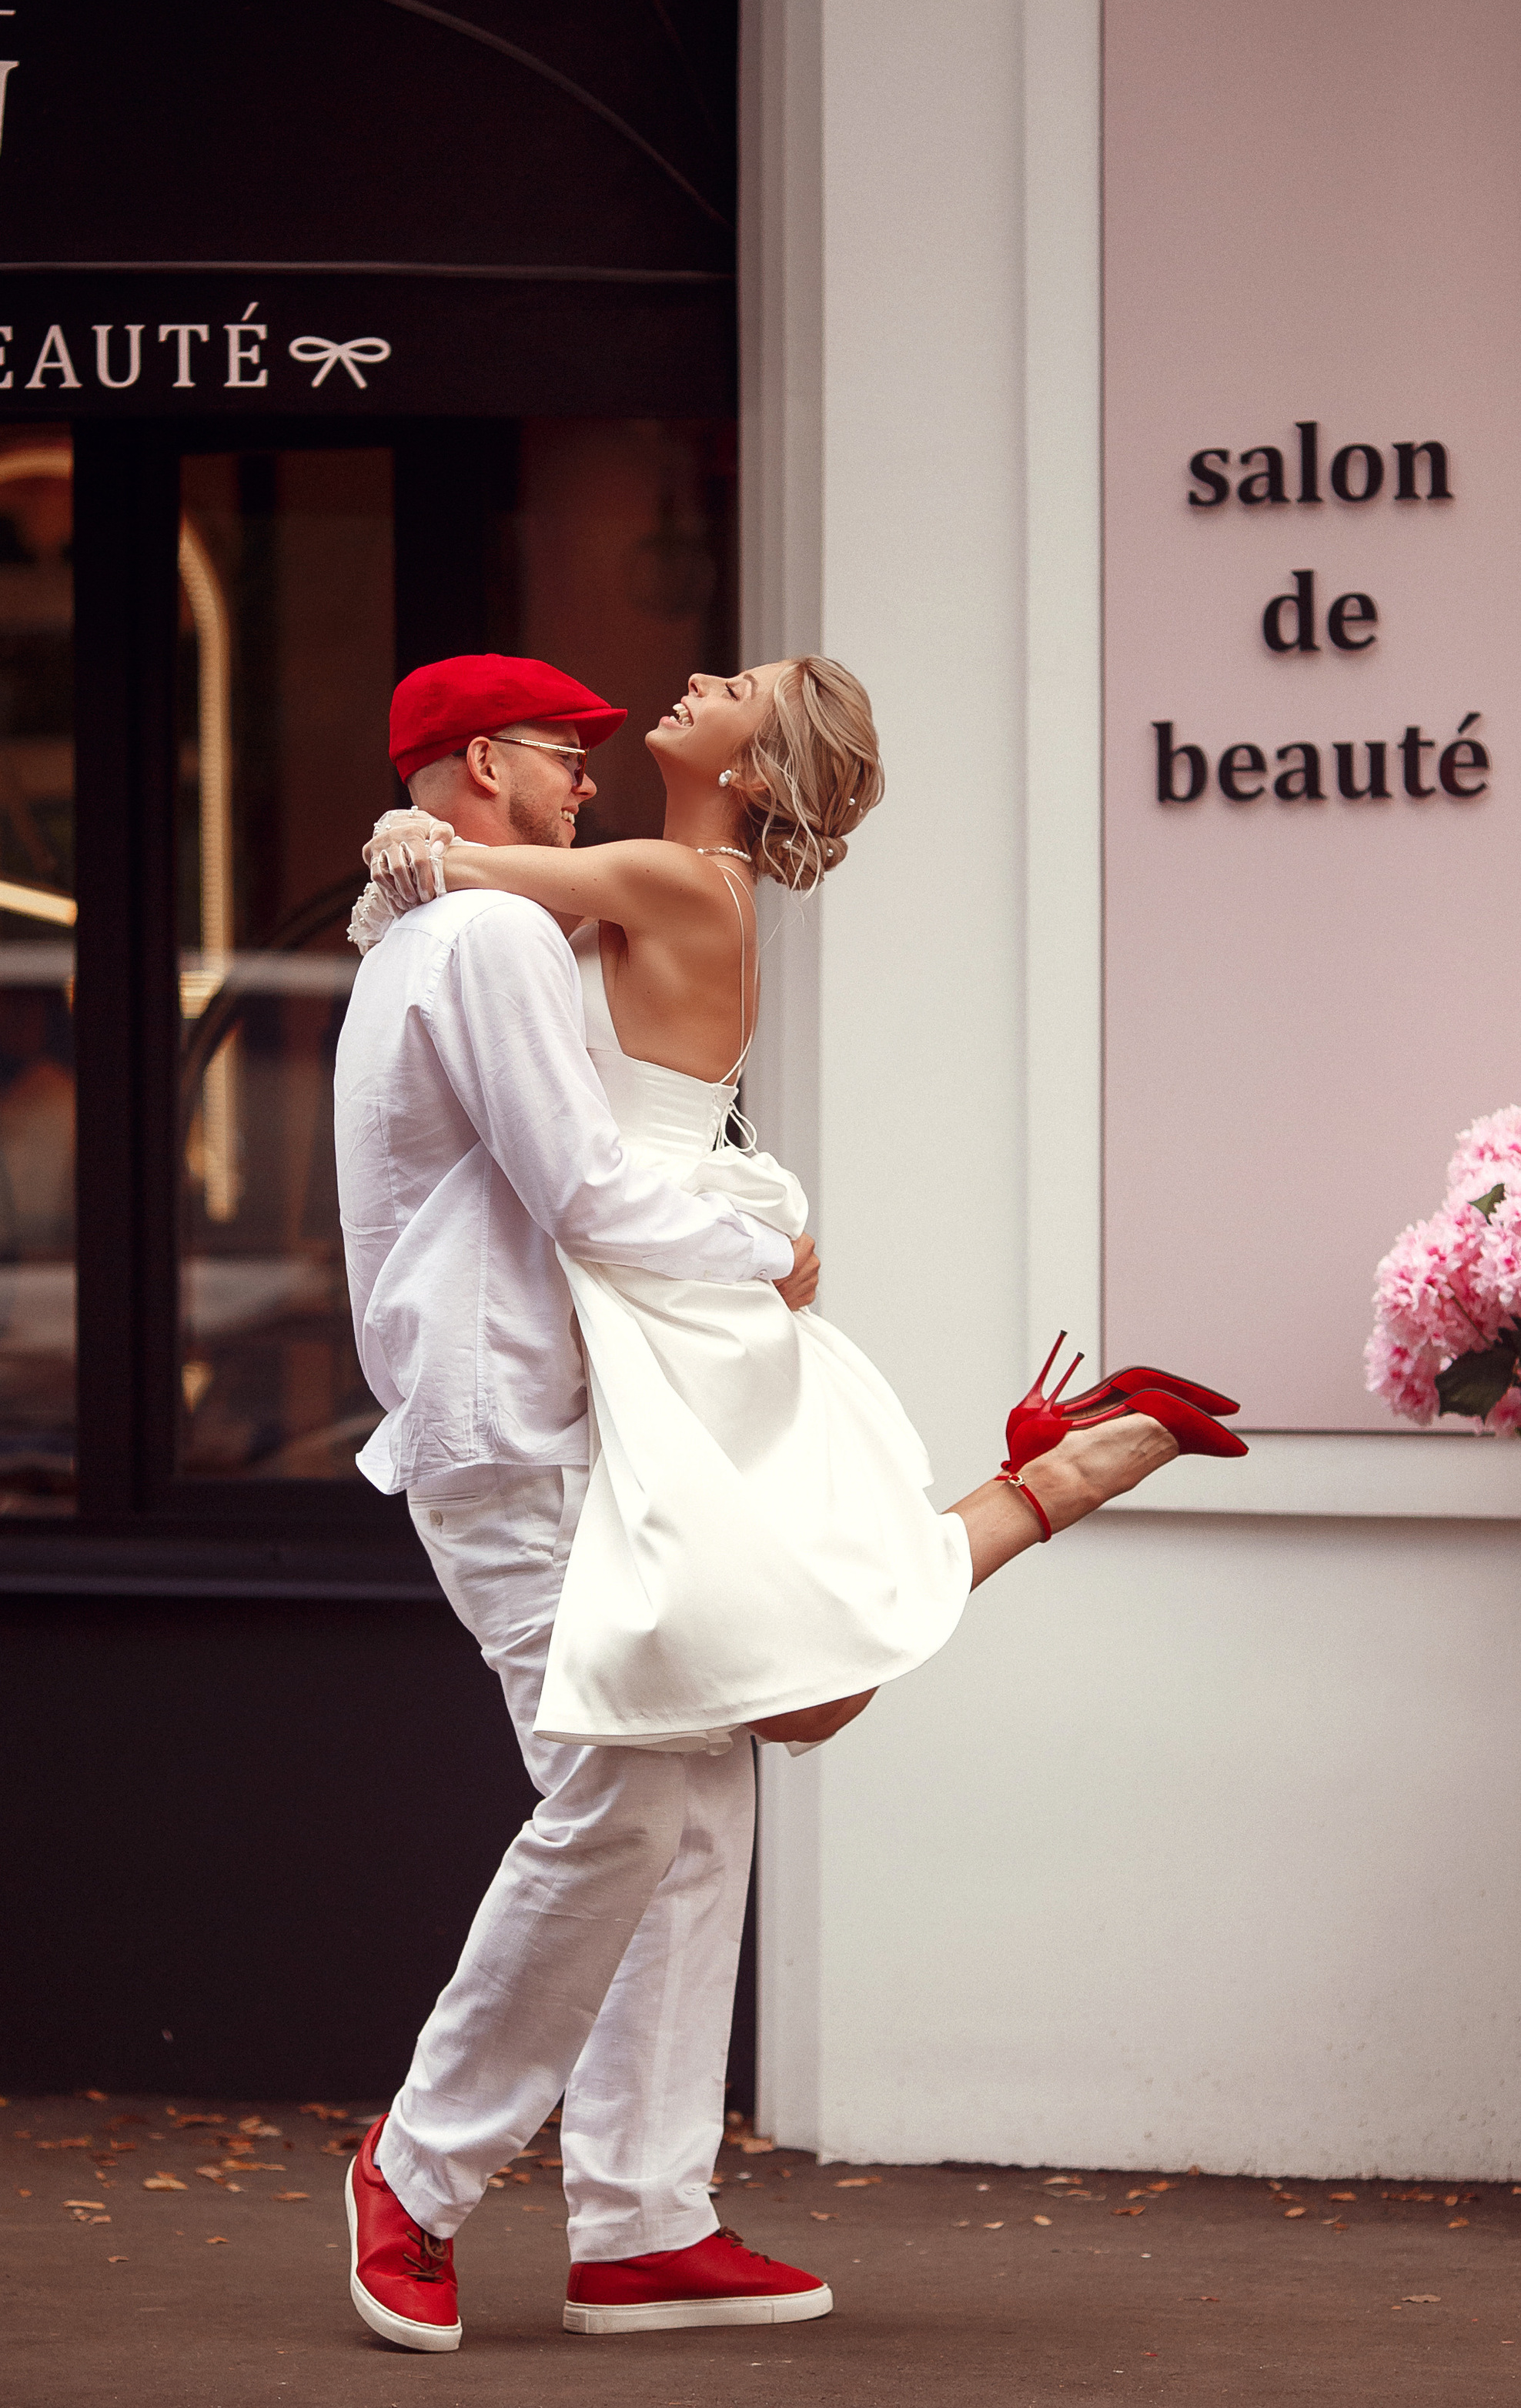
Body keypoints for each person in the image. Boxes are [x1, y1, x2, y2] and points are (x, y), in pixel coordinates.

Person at [363, 653, 1245, 1757]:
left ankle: (1046, 1486)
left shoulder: (679, 878)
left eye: (735, 690)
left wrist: (410, 830)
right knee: (769, 1661)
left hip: (655, 1252)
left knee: (772, 1658)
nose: (696, 675)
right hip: (650, 1248)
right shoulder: (670, 877)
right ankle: (1042, 1483)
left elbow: (462, 875)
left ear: (754, 773)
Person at [333, 652, 834, 2354]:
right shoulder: (479, 938)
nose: (584, 784)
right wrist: (766, 1251)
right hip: (509, 1430)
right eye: (561, 755)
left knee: (699, 1796)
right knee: (627, 1793)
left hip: (561, 1416)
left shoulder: (478, 915)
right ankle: (417, 2167)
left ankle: (642, 2224)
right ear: (487, 762)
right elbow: (582, 1182)